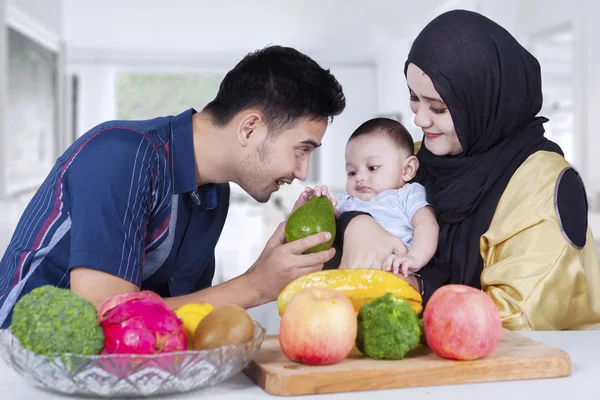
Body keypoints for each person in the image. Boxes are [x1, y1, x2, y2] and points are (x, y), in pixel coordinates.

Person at [0, 45, 346, 329]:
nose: (302, 172)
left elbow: (178, 317)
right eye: (302, 149)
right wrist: (256, 285)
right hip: (18, 367)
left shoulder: (214, 192)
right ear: (250, 127)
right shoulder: (120, 155)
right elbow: (105, 320)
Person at [334, 10, 600, 330]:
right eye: (414, 98)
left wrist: (411, 289)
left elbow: (518, 317)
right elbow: (365, 201)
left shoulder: (544, 181)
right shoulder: (420, 158)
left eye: (438, 107)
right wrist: (355, 221)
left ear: (482, 102)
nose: (419, 119)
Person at [334, 118, 438, 277]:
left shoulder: (407, 195)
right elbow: (325, 220)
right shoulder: (347, 201)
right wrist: (318, 198)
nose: (360, 177)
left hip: (396, 275)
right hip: (349, 277)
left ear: (407, 169)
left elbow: (427, 225)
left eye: (372, 168)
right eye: (352, 172)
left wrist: (414, 258)